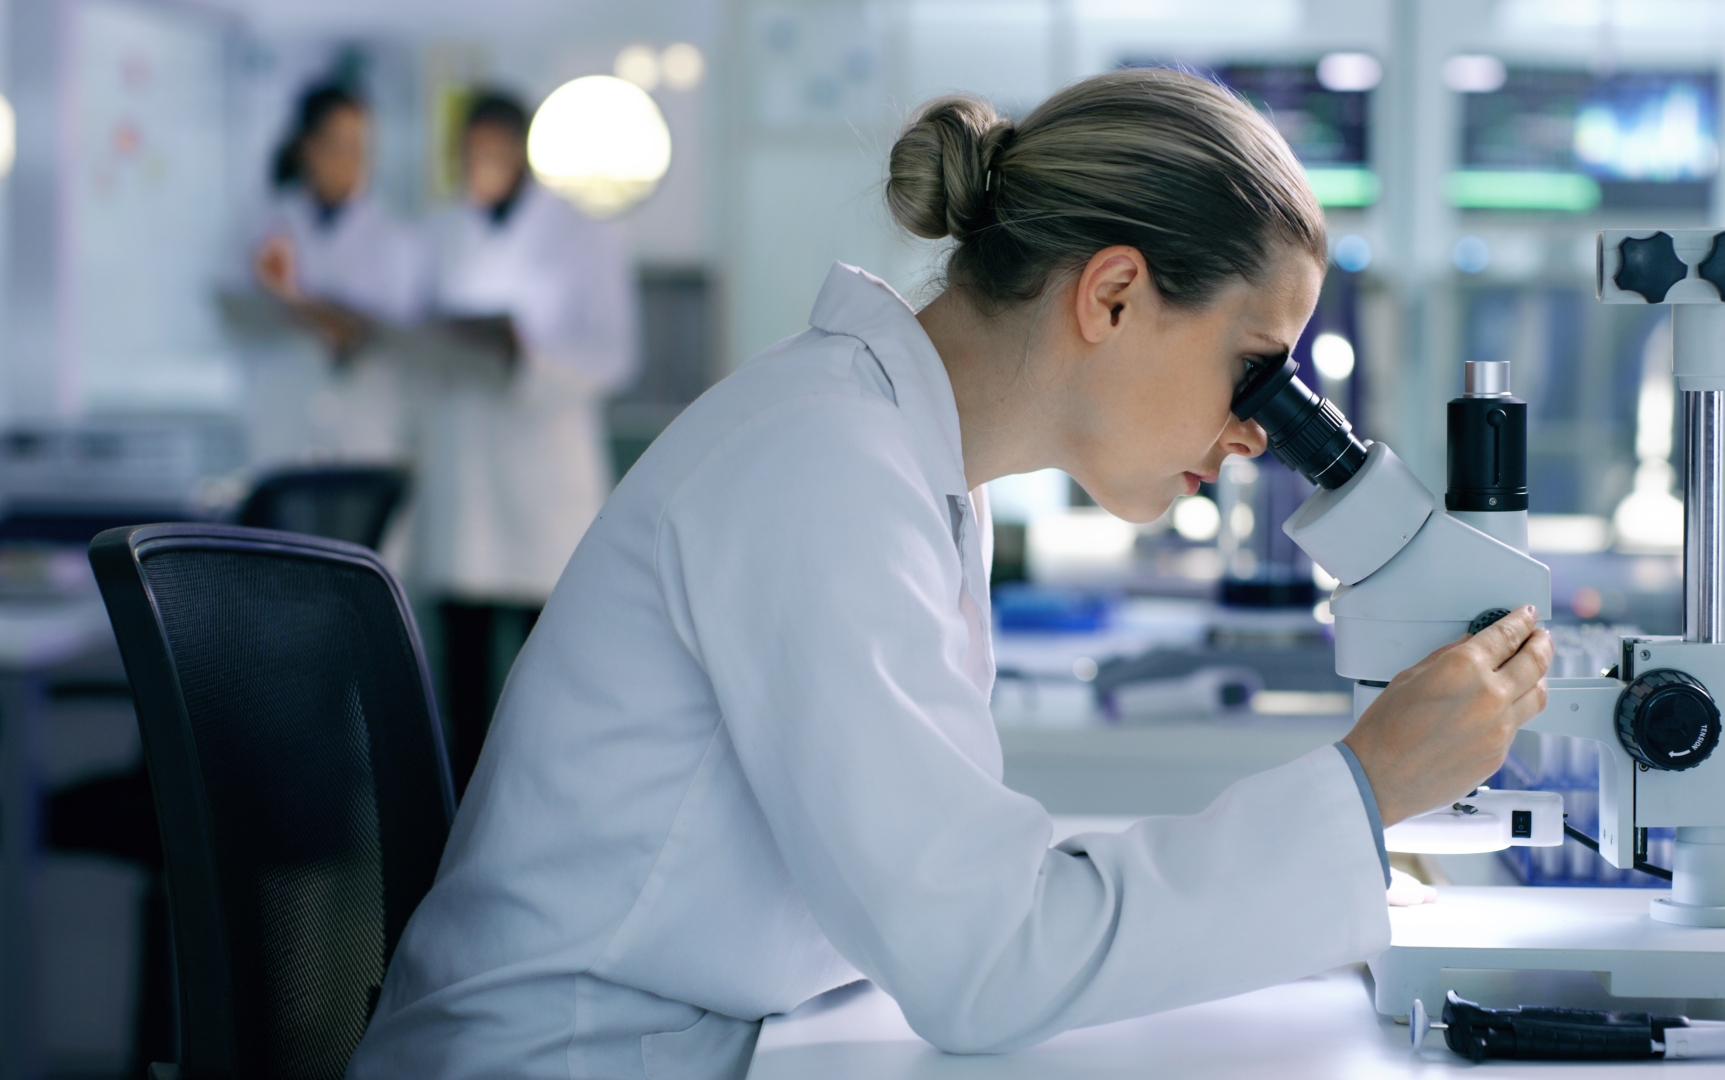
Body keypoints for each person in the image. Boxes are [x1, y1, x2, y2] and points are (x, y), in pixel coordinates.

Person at [348, 69, 1551, 1080]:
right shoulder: (823, 465)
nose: (1257, 433)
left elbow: (954, 885)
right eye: (1255, 370)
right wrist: (1360, 792)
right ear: (1115, 294)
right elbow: (984, 963)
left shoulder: (905, 460)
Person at [411, 91, 637, 794]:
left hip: (545, 477)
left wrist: (527, 359)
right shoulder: (441, 232)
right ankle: (465, 814)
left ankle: (551, 799)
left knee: (550, 667)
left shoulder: (583, 235)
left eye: (493, 152)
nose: (480, 166)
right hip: (464, 471)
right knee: (466, 670)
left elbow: (615, 352)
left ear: (522, 151)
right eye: (470, 154)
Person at [250, 82, 428, 464]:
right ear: (308, 147)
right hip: (284, 428)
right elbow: (241, 320)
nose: (350, 160)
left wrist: (296, 300)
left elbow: (392, 338)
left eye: (359, 147)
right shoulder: (265, 225)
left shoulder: (395, 239)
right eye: (337, 145)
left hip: (366, 432)